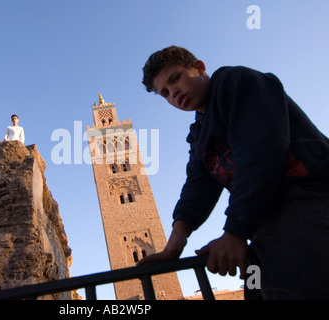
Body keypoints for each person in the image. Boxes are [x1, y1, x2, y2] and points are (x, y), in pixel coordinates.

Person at [137, 45, 329, 299]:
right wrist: (174, 244)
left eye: (175, 78)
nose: (174, 93)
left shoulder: (235, 82)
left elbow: (260, 151)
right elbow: (197, 187)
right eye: (165, 93)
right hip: (264, 226)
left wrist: (234, 232)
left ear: (200, 68)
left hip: (308, 199)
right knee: (259, 291)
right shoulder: (198, 135)